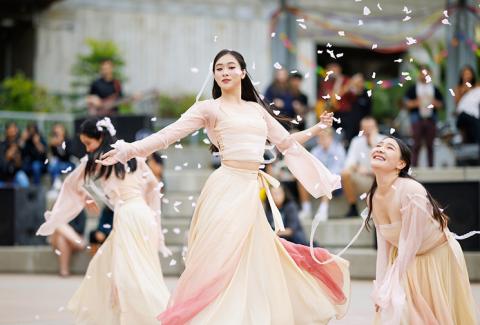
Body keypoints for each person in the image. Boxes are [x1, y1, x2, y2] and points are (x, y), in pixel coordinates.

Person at [99, 49, 350, 324]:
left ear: (243, 72)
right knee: (219, 256)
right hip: (225, 186)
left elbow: (285, 143)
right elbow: (167, 136)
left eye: (231, 67)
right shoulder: (209, 108)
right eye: (219, 68)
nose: (225, 72)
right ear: (214, 75)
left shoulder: (256, 110)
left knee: (251, 257)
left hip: (249, 190)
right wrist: (129, 150)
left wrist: (316, 129)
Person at [36, 117, 170, 324]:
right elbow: (154, 185)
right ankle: (128, 316)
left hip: (126, 215)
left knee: (127, 273)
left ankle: (149, 315)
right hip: (143, 214)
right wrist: (145, 205)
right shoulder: (132, 154)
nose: (87, 148)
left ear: (100, 137)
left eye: (88, 143)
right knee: (120, 266)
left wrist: (84, 196)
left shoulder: (98, 160)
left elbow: (71, 184)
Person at [366, 136, 477, 324]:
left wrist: (393, 284)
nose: (380, 148)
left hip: (436, 258)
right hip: (402, 256)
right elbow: (383, 247)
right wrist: (381, 286)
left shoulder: (411, 190)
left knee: (429, 317)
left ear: (401, 164)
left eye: (389, 147)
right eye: (378, 145)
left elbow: (411, 242)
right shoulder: (372, 197)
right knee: (402, 314)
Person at [341, 116, 384, 217]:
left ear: (376, 128)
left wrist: (373, 143)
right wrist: (356, 167)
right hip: (364, 179)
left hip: (380, 180)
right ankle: (353, 207)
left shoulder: (384, 141)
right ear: (361, 129)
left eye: (370, 128)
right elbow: (349, 163)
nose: (368, 131)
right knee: (345, 174)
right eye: (365, 128)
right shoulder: (356, 141)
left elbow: (384, 166)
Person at [404, 66, 443, 167]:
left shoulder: (434, 89)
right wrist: (415, 103)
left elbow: (442, 104)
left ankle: (431, 166)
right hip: (417, 118)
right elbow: (406, 103)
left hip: (431, 118)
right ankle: (414, 166)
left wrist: (435, 103)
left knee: (430, 144)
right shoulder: (413, 88)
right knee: (416, 144)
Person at [311, 127, 346, 221]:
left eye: (323, 137)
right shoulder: (315, 151)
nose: (320, 140)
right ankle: (306, 208)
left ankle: (323, 208)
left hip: (337, 182)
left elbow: (338, 169)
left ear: (330, 137)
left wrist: (325, 175)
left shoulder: (338, 149)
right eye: (319, 137)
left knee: (327, 179)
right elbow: (311, 167)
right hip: (320, 180)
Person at [50, 211, 87, 277]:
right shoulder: (57, 209)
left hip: (70, 240)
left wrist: (67, 233)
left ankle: (64, 270)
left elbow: (81, 229)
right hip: (57, 238)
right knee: (59, 226)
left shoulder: (79, 209)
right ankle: (79, 242)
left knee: (61, 239)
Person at [455, 65, 480, 145]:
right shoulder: (458, 89)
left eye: (469, 74)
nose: (467, 76)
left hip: (474, 115)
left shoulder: (477, 86)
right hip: (464, 116)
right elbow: (457, 104)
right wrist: (464, 91)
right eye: (465, 74)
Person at [0, 122, 29, 187]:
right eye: (11, 130)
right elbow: (4, 162)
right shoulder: (2, 145)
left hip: (15, 174)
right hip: (2, 176)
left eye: (14, 130)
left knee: (23, 180)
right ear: (6, 131)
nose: (13, 132)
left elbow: (22, 163)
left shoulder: (21, 144)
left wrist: (17, 160)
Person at [48, 123, 76, 187]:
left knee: (56, 167)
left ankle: (56, 182)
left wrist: (61, 144)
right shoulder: (54, 141)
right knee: (52, 166)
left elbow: (68, 155)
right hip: (59, 163)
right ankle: (56, 183)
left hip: (69, 162)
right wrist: (53, 146)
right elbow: (54, 156)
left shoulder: (68, 141)